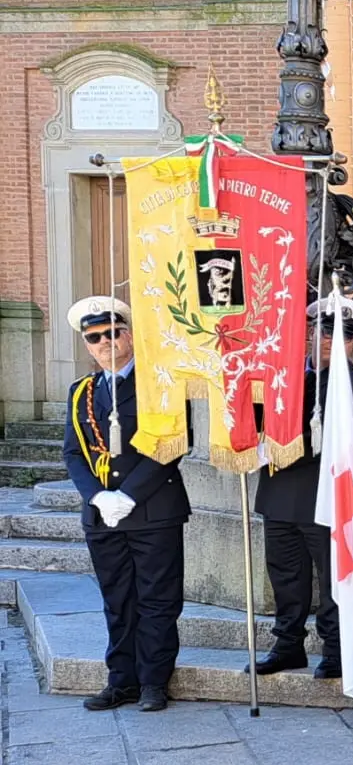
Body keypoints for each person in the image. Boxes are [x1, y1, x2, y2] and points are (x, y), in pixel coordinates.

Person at [63, 296, 189, 713]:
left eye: (112, 333)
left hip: (153, 511)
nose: (104, 342)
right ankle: (122, 682)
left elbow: (171, 444)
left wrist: (128, 495)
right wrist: (98, 496)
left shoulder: (161, 383)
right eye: (94, 337)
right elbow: (72, 453)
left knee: (157, 600)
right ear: (87, 344)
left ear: (129, 335)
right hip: (103, 516)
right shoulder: (81, 392)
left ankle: (154, 682)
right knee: (117, 600)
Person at [251, 298, 353, 680]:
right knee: (285, 577)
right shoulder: (281, 378)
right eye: (322, 332)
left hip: (326, 496)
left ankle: (335, 648)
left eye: (342, 335)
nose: (329, 341)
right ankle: (287, 644)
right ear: (308, 334)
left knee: (332, 579)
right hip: (280, 490)